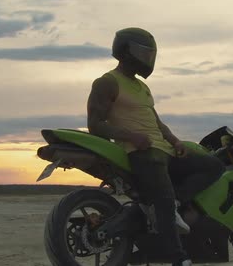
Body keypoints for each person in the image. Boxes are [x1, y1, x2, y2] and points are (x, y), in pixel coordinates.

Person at [87, 27, 225, 266]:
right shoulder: (107, 82)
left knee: (214, 165)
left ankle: (174, 203)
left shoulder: (142, 87)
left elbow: (156, 121)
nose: (149, 59)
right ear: (127, 51)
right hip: (141, 152)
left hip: (164, 149)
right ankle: (178, 258)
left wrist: (175, 141)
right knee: (162, 195)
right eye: (145, 52)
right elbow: (95, 124)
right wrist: (131, 136)